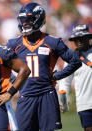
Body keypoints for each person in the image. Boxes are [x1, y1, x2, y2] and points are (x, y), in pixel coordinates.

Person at [6, 2, 82, 131]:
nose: (25, 23)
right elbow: (3, 67)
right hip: (26, 96)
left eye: (29, 20)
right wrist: (16, 83)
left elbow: (75, 61)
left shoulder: (52, 42)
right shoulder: (14, 44)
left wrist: (57, 75)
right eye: (23, 20)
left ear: (38, 19)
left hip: (47, 95)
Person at [59, 24, 92, 131]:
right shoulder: (70, 58)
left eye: (82, 38)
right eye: (76, 39)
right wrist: (64, 101)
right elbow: (65, 82)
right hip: (85, 104)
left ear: (88, 38)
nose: (79, 41)